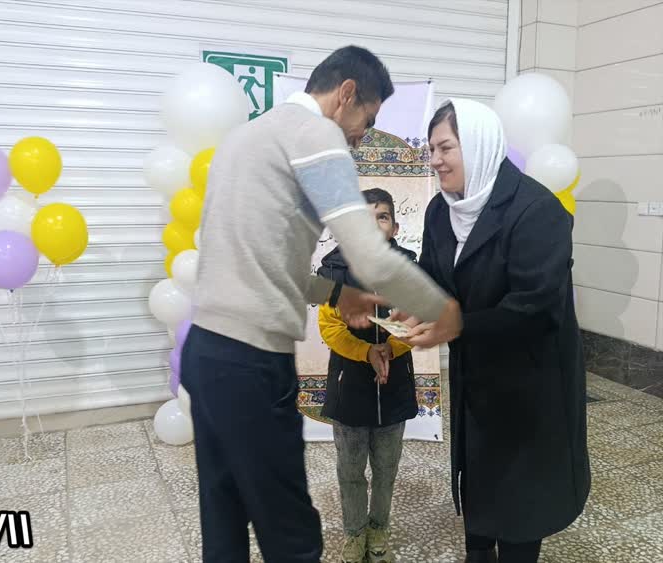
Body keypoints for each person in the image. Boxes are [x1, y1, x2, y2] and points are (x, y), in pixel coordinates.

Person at [180, 46, 462, 563]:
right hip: (251, 362)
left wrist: (335, 292)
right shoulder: (316, 135)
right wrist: (442, 309)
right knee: (291, 532)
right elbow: (370, 257)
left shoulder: (245, 138)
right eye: (367, 120)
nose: (362, 136)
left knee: (223, 514)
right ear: (346, 94)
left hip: (205, 353)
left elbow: (263, 260)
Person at [414, 99, 590, 563]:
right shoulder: (441, 211)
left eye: (445, 147)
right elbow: (433, 277)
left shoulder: (537, 210)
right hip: (475, 375)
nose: (435, 160)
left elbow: (534, 308)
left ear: (477, 144)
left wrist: (456, 324)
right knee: (477, 476)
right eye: (431, 149)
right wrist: (406, 301)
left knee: (520, 497)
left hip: (530, 382)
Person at [316, 188, 418, 563]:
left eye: (382, 217)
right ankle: (355, 533)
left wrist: (390, 348)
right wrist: (366, 352)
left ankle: (379, 530)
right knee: (350, 469)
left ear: (395, 228)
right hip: (350, 386)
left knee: (386, 468)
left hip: (394, 382)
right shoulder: (333, 272)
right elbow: (330, 328)